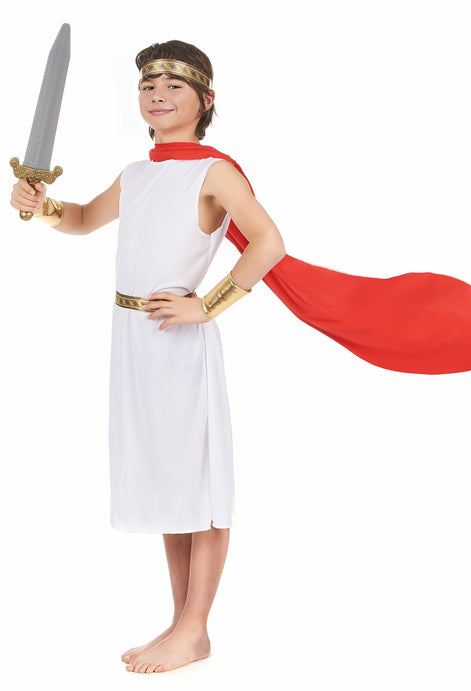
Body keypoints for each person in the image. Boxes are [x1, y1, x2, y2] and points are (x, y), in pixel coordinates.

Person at [10, 39, 286, 674]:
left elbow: (269, 241)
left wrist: (208, 305)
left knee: (199, 485)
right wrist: (42, 206)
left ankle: (196, 628)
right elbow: (82, 218)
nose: (156, 95)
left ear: (205, 99)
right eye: (146, 86)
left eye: (172, 86)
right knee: (169, 485)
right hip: (133, 339)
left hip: (179, 343)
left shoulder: (213, 171)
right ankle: (180, 621)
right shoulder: (138, 173)